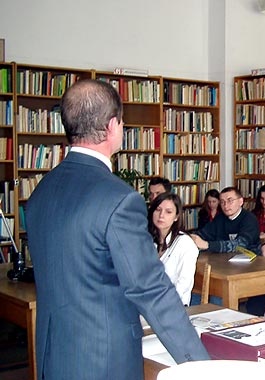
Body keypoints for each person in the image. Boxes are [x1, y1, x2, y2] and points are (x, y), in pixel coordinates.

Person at [26, 79, 209, 380]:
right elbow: (150, 288)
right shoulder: (119, 199)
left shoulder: (42, 191)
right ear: (113, 126)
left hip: (52, 353)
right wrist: (201, 367)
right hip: (102, 358)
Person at [148, 192, 199, 306]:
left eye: (168, 212)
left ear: (176, 217)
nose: (161, 215)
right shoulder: (148, 241)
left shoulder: (185, 244)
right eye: (158, 210)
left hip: (173, 307)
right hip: (148, 304)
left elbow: (184, 284)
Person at [191, 186, 261, 254]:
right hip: (223, 258)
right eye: (222, 202)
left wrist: (207, 245)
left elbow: (240, 245)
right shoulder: (220, 218)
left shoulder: (250, 219)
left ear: (241, 201)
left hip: (249, 259)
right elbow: (203, 234)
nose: (225, 205)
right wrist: (191, 238)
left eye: (230, 201)